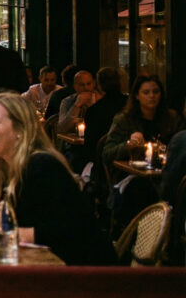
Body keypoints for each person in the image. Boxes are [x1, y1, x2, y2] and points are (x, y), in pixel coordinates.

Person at [0, 92, 116, 265]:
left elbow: (71, 229)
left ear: (20, 130)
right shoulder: (5, 168)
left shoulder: (41, 165)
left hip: (85, 273)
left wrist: (18, 233)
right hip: (43, 264)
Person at [101, 75, 185, 225]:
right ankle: (141, 237)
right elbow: (107, 153)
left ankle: (171, 235)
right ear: (137, 96)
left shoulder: (171, 118)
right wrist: (128, 145)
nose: (152, 96)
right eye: (146, 92)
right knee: (142, 190)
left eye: (155, 92)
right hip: (133, 176)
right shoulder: (124, 120)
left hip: (165, 175)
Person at [73, 68, 125, 173]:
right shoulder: (130, 105)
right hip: (125, 158)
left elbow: (89, 147)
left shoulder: (94, 110)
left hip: (102, 165)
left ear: (99, 85)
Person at [57, 70, 100, 134]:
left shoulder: (100, 100)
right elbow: (61, 129)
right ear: (75, 86)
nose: (86, 88)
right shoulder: (67, 101)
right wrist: (77, 105)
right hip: (73, 140)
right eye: (82, 85)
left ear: (94, 84)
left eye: (89, 84)